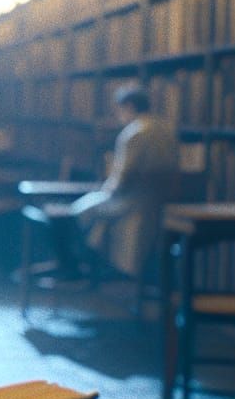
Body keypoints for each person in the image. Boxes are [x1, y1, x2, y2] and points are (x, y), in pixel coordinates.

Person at [30, 83, 181, 282]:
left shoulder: (133, 133)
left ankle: (75, 266)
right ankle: (83, 264)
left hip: (130, 202)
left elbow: (121, 180)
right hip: (159, 202)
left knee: (73, 213)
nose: (119, 115)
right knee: (86, 211)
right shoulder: (166, 130)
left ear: (128, 106)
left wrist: (104, 188)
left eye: (120, 110)